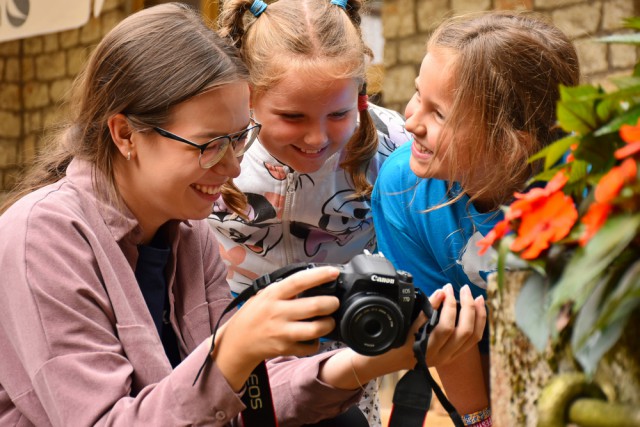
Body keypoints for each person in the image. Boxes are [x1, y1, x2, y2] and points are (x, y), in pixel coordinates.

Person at [0, 3, 485, 427]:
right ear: (125, 135)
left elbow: (248, 401)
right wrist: (234, 349)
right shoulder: (41, 239)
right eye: (211, 145)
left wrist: (364, 363)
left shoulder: (186, 233)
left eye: (237, 140)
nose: (233, 167)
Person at [372, 10, 581, 424]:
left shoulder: (582, 190)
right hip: (475, 350)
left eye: (440, 114)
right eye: (418, 95)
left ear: (510, 144)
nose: (410, 120)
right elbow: (446, 327)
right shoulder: (401, 187)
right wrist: (479, 419)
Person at [210, 0, 413, 423]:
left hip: (348, 357)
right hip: (234, 350)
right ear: (248, 93)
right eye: (291, 116)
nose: (316, 138)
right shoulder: (212, 150)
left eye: (338, 114)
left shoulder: (393, 148)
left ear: (360, 93)